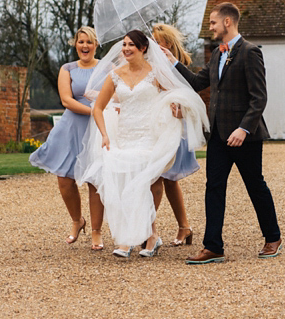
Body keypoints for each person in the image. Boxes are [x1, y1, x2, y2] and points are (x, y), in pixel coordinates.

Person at [75, 29, 207, 259]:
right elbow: (98, 107)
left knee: (143, 184)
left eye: (131, 45)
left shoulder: (156, 73)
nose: (125, 49)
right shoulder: (115, 74)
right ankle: (148, 235)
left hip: (150, 135)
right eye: (124, 45)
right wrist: (105, 134)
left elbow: (178, 93)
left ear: (143, 48)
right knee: (126, 183)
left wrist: (176, 107)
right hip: (125, 136)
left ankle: (130, 239)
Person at [172, 2, 282, 264]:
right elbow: (199, 83)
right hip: (219, 136)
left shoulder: (250, 52)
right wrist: (172, 62)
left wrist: (244, 129)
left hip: (246, 137)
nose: (210, 27)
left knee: (255, 186)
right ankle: (213, 246)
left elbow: (259, 98)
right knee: (214, 188)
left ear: (228, 22)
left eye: (213, 23)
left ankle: (273, 237)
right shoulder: (217, 54)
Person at [29, 27, 106, 250]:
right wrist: (94, 110)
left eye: (89, 42)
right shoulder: (67, 68)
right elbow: (66, 99)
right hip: (71, 127)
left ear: (96, 44)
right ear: (76, 44)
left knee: (95, 179)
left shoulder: (106, 68)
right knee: (64, 178)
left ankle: (96, 231)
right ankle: (77, 220)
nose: (85, 46)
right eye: (81, 42)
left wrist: (101, 112)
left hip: (97, 128)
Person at [151, 23, 200, 247]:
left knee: (163, 177)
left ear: (166, 44)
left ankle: (148, 230)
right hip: (157, 125)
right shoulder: (150, 65)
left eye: (155, 40)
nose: (151, 43)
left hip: (175, 126)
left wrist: (181, 109)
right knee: (166, 180)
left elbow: (191, 94)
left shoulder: (177, 67)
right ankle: (184, 227)